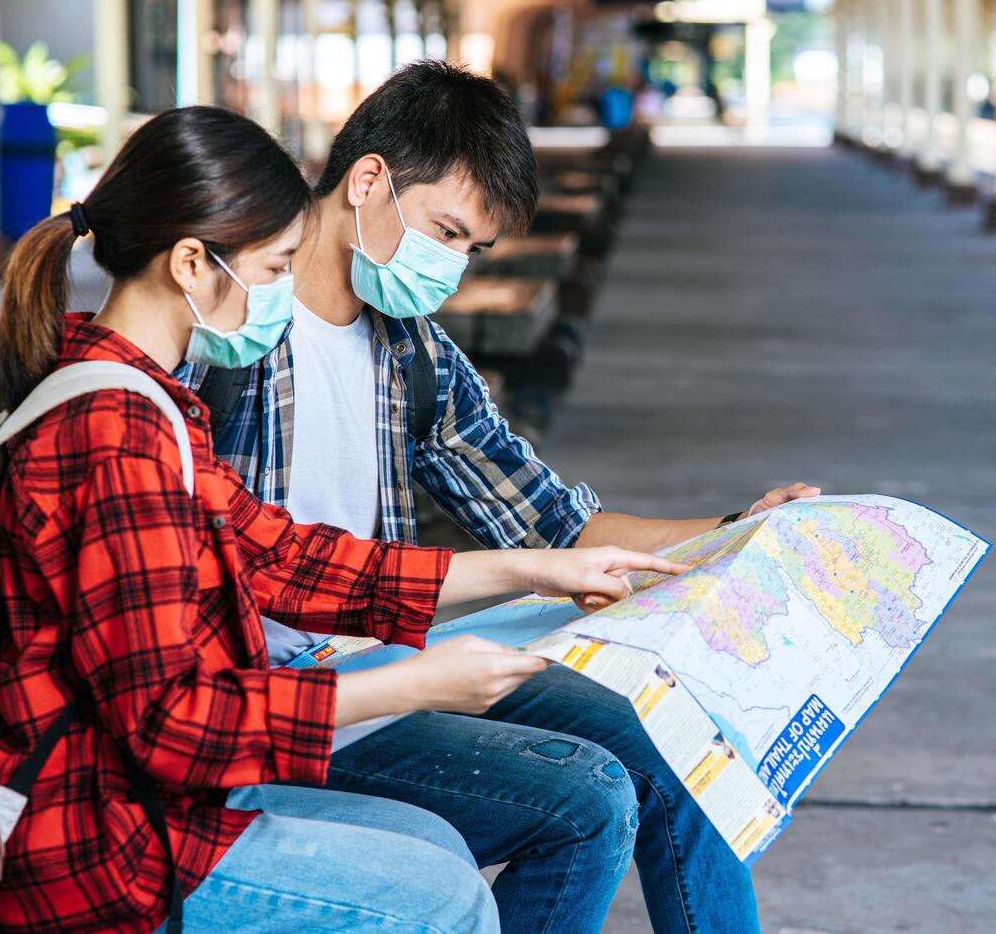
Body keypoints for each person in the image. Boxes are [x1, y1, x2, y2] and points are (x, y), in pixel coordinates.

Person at [0, 105, 685, 933]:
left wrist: (535, 568)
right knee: (446, 894)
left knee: (437, 842)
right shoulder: (119, 433)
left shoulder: (152, 402)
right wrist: (411, 682)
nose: (290, 292)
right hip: (115, 844)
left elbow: (286, 558)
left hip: (165, 800)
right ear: (191, 264)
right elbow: (170, 724)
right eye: (278, 267)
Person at [181, 60, 820, 934]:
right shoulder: (232, 329)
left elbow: (558, 523)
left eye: (468, 251)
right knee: (586, 798)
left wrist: (734, 533)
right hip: (270, 697)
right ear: (368, 180)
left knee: (677, 738)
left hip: (376, 642)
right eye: (442, 232)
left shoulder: (415, 355)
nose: (449, 268)